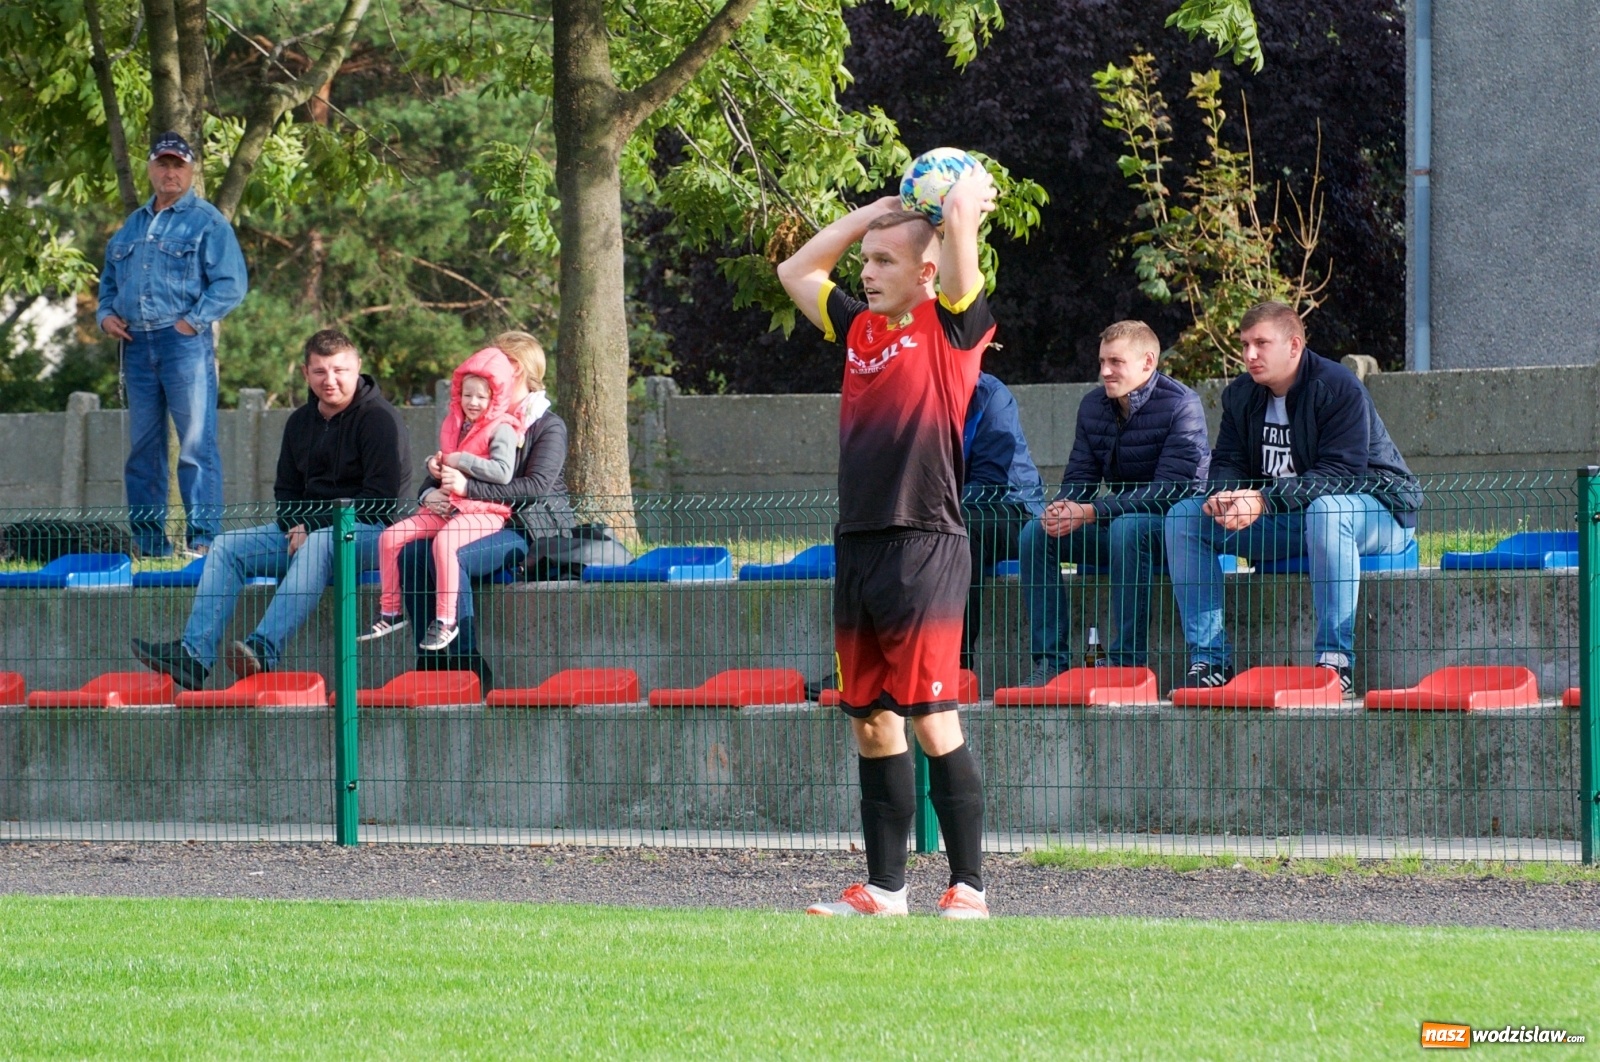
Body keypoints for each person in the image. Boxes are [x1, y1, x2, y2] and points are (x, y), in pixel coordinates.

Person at [776, 169, 997, 920]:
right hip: (858, 544)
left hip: (924, 543)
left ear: (926, 273)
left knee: (932, 717)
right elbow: (796, 271)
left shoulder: (952, 328)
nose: (865, 273)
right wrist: (870, 214)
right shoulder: (859, 330)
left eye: (883, 261)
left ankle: (969, 888)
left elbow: (960, 247)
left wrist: (961, 208)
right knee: (871, 720)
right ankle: (884, 891)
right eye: (865, 261)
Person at [1163, 302, 1422, 697]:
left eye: (1261, 343)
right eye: (1245, 344)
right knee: (1185, 517)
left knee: (1327, 510)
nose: (1250, 354)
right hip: (1293, 517)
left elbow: (1340, 475)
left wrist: (1262, 501)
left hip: (1376, 511)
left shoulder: (1337, 387)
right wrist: (1224, 495)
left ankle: (1335, 663)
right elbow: (1229, 460)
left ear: (1294, 345)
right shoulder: (1240, 395)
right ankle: (1211, 661)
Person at [131, 330, 409, 689]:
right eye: (320, 371)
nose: (330, 380)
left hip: (373, 534)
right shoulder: (299, 422)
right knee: (226, 546)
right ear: (306, 373)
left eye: (340, 370)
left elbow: (379, 501)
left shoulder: (380, 420)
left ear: (357, 368)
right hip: (307, 533)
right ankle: (194, 656)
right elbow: (286, 490)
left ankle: (262, 648)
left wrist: (310, 526)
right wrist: (296, 523)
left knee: (320, 542)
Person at [1018, 321, 1210, 685]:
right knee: (1035, 533)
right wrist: (1063, 508)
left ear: (1148, 362)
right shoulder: (1093, 406)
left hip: (1173, 532)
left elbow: (1168, 492)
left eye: (1116, 362)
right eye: (1102, 361)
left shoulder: (1181, 405)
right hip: (1115, 523)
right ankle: (1050, 663)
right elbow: (1080, 477)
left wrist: (1091, 511)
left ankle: (1126, 664)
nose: (1105, 371)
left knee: (1129, 528)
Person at [397, 331, 576, 692]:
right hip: (470, 520)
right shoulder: (477, 417)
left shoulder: (548, 426)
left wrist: (469, 489)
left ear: (517, 371)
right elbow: (447, 470)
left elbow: (535, 488)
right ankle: (431, 661)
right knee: (412, 554)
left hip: (524, 530)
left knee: (453, 553)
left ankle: (468, 664)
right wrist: (430, 490)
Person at [97, 132, 248, 558]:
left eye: (178, 165)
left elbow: (231, 284)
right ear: (149, 169)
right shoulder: (132, 225)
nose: (170, 172)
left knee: (196, 445)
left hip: (183, 343)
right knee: (143, 449)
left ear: (191, 170)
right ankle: (149, 545)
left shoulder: (207, 222)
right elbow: (108, 285)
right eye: (162, 164)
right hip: (135, 344)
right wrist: (105, 316)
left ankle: (203, 542)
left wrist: (190, 323)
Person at [362, 347, 525, 652]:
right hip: (449, 506)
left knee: (446, 543)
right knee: (391, 537)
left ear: (496, 398)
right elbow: (448, 463)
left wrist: (460, 460)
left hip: (485, 511)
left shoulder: (502, 428)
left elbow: (503, 472)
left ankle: (446, 620)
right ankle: (391, 611)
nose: (473, 402)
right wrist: (435, 465)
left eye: (481, 397)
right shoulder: (456, 423)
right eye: (467, 395)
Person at [960, 372, 1045, 670]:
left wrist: (929, 505)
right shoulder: (916, 394)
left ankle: (955, 666)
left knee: (959, 528)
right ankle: (867, 668)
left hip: (1013, 510)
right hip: (949, 509)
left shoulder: (989, 395)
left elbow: (988, 484)